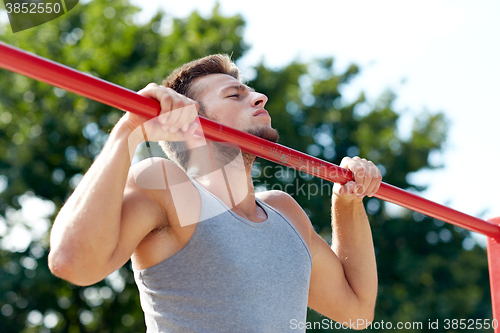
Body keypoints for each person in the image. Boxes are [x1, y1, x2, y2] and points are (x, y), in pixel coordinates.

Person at [48, 54, 381, 332]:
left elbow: (357, 311)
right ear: (190, 122)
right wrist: (129, 130)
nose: (259, 97)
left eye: (251, 92)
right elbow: (72, 263)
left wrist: (348, 201)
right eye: (234, 95)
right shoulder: (169, 188)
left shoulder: (285, 212)